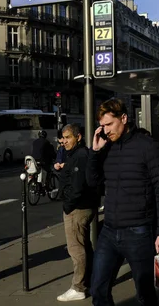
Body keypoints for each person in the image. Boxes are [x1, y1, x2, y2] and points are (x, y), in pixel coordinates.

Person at [87, 98, 159, 306]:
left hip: (139, 231)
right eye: (102, 126)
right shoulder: (107, 148)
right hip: (109, 230)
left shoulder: (147, 146)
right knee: (97, 289)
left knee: (144, 294)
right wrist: (95, 153)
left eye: (109, 124)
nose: (105, 130)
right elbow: (92, 182)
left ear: (123, 118)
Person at [57, 124, 98, 302]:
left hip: (77, 208)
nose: (64, 141)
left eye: (68, 137)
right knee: (84, 245)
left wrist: (68, 205)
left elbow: (77, 186)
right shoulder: (78, 154)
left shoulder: (80, 155)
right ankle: (89, 281)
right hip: (81, 205)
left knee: (76, 248)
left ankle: (79, 287)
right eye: (63, 138)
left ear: (78, 137)